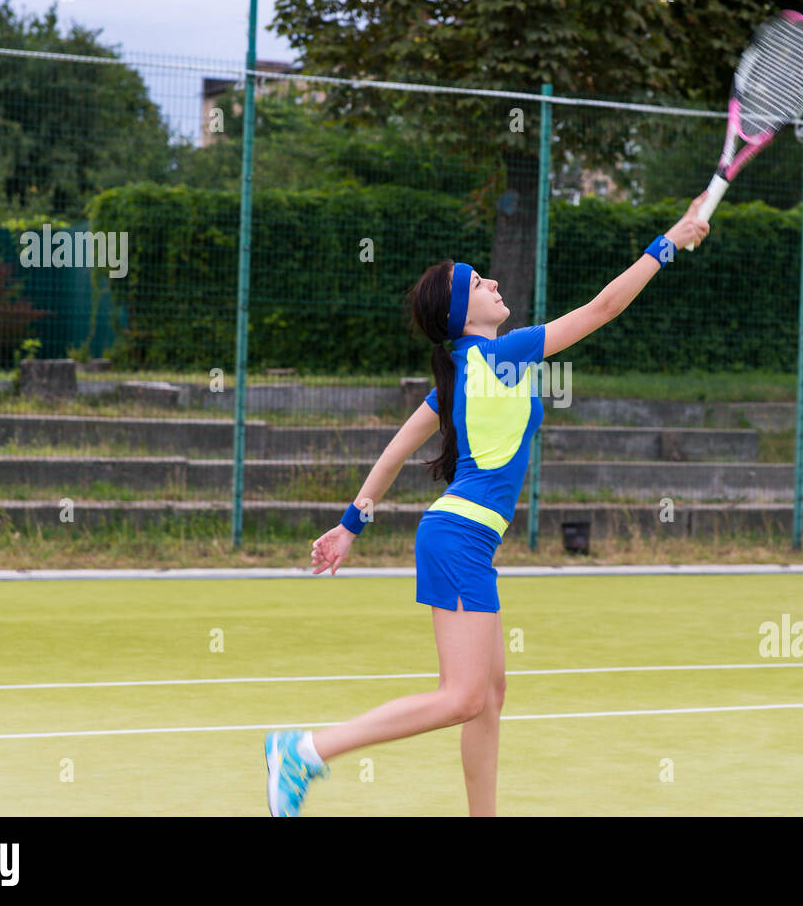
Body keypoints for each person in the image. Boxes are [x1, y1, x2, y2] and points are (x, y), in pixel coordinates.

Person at [264, 192, 711, 816]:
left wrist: (349, 527)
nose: (493, 280)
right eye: (478, 282)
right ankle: (306, 749)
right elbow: (604, 306)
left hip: (462, 537)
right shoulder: (499, 355)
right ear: (460, 310)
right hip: (460, 539)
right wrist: (669, 244)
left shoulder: (456, 375)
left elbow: (392, 456)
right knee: (462, 698)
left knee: (489, 696)